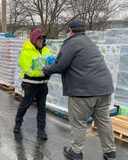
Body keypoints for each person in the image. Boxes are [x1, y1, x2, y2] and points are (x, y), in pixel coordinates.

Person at [43, 20, 116, 160]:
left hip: (83, 91)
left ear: (70, 30)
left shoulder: (70, 43)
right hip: (104, 89)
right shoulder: (89, 42)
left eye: (67, 31)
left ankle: (76, 152)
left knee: (79, 122)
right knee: (103, 121)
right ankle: (110, 152)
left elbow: (59, 66)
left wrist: (45, 69)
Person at [13, 28, 53, 141]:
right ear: (33, 40)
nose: (41, 41)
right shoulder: (25, 52)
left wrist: (50, 68)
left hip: (43, 85)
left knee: (42, 108)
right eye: (39, 39)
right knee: (24, 105)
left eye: (42, 39)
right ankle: (17, 124)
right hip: (30, 85)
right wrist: (45, 71)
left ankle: (41, 130)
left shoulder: (46, 51)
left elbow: (52, 62)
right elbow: (28, 70)